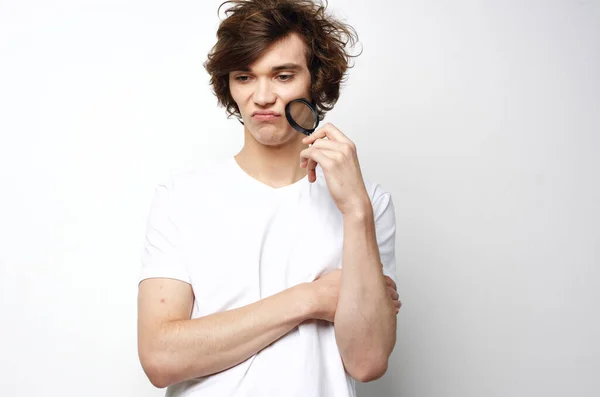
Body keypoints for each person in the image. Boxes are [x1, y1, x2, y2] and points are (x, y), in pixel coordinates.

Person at [137, 1, 401, 396]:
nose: (262, 96)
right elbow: (160, 358)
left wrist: (356, 210)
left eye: (282, 75)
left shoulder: (367, 203)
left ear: (315, 80)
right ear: (230, 85)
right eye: (245, 76)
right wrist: (313, 297)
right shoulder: (181, 199)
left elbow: (367, 361)